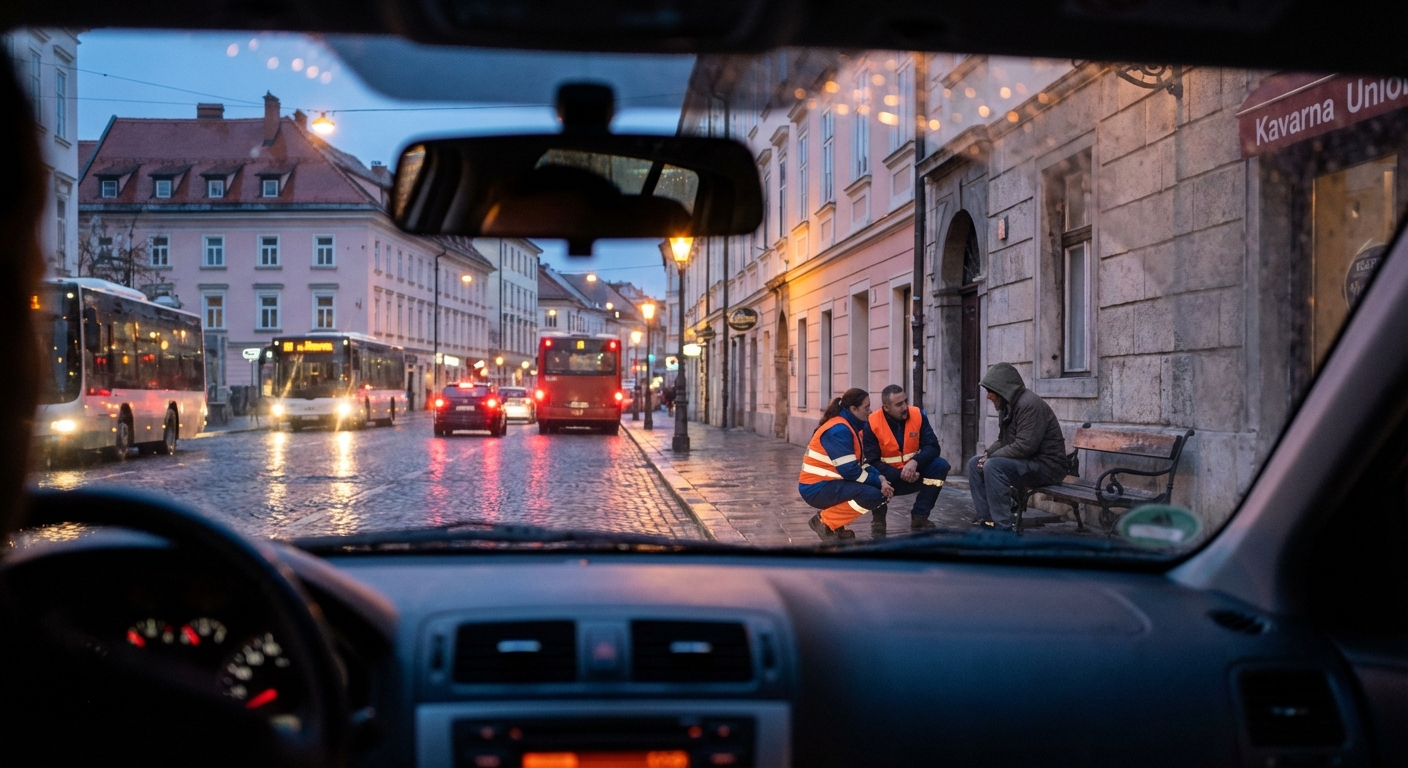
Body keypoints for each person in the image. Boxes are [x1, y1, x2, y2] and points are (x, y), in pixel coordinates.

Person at [967, 362, 1069, 532]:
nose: (988, 396)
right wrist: (986, 454)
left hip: (1048, 467)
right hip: (1027, 463)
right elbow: (1003, 440)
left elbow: (1025, 446)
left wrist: (991, 459)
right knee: (973, 463)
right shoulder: (1008, 406)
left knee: (993, 466)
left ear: (1002, 390)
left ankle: (1003, 528)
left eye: (990, 391)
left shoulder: (1029, 405)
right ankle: (989, 520)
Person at [799, 388, 893, 540]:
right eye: (866, 408)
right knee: (873, 494)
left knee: (875, 490)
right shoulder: (839, 429)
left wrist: (881, 478)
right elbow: (850, 471)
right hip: (817, 488)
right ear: (853, 409)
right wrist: (878, 481)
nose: (870, 411)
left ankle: (836, 525)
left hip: (825, 485)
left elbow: (859, 465)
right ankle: (824, 522)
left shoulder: (848, 427)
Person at [862, 385, 950, 536]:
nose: (905, 407)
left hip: (913, 473)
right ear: (886, 407)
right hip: (888, 478)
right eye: (899, 404)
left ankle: (920, 517)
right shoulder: (872, 422)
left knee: (940, 466)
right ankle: (878, 521)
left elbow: (933, 446)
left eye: (905, 401)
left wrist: (915, 462)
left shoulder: (917, 414)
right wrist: (900, 474)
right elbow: (872, 460)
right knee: (872, 475)